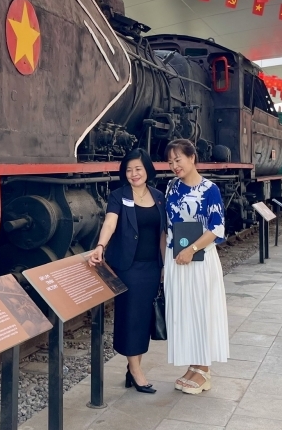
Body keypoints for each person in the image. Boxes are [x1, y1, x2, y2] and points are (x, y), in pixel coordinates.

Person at [88, 148, 166, 394]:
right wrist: (101, 245)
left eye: (138, 169)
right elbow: (110, 222)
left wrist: (164, 266)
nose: (134, 174)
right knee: (131, 317)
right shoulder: (118, 195)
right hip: (129, 267)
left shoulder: (159, 196)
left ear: (147, 170)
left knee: (144, 318)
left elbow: (162, 233)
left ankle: (133, 368)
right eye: (129, 170)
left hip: (152, 266)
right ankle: (136, 371)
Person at [163, 139, 229, 395]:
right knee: (185, 311)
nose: (174, 165)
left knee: (202, 309)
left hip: (199, 260)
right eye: (170, 161)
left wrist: (191, 250)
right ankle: (194, 365)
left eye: (178, 159)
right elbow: (168, 225)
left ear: (192, 158)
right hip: (176, 259)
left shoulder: (210, 189)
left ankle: (204, 370)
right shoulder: (171, 187)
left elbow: (217, 228)